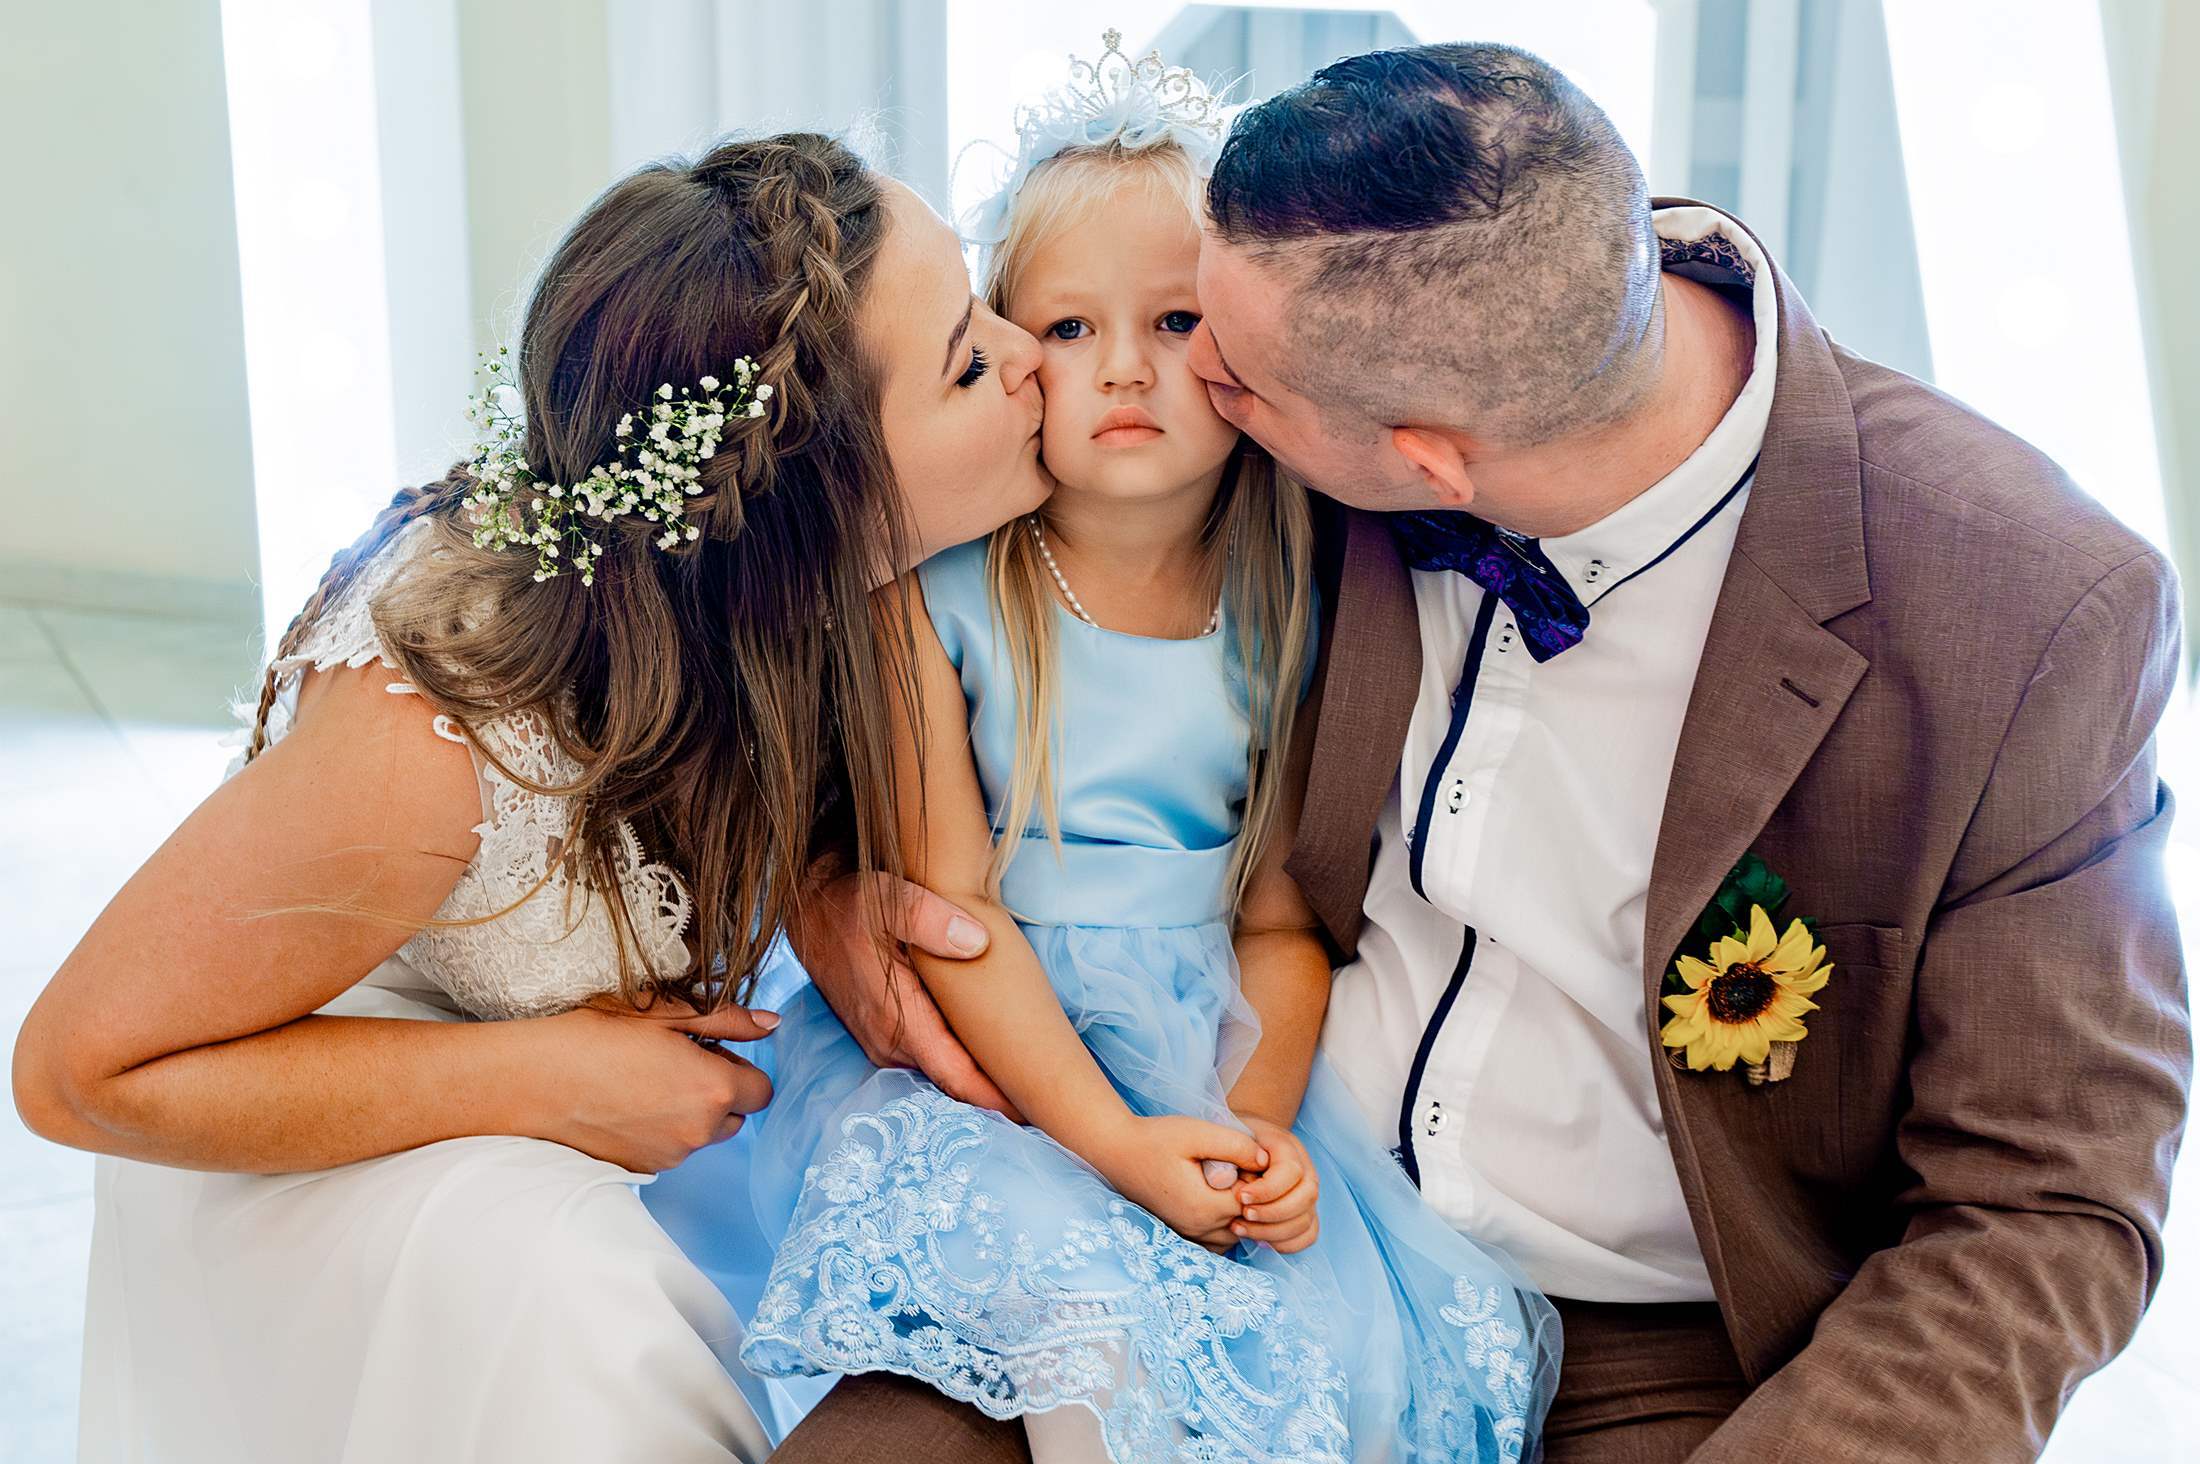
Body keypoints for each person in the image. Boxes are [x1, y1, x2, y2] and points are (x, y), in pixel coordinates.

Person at [795, 40, 2188, 1464]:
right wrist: (830, 889)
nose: (1171, 378)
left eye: (1222, 362)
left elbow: (2043, 1204)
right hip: (1184, 1200)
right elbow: (856, 577)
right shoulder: (1343, 304)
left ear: (1425, 461)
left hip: (1662, 1349)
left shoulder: (2028, 610)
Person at [10, 132, 1053, 1463]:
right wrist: (540, 1076)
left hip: (560, 1110)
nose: (1030, 354)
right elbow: (76, 1071)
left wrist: (818, 884)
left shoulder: (798, 595)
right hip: (310, 1135)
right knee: (585, 1314)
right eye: (967, 364)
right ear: (811, 501)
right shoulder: (444, 733)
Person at [733, 37, 1558, 1464]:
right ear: (1008, 353)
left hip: (1207, 1044)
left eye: (1176, 321)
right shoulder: (934, 595)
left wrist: (1242, 1137)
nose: (1123, 368)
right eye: (1067, 328)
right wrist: (1115, 1147)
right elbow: (950, 909)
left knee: (1315, 1359)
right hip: (996, 1056)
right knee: (1080, 1327)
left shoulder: (1297, 591)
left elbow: (1282, 922)